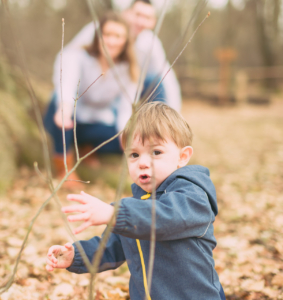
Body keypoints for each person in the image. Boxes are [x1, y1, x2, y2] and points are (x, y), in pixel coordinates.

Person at [45, 102, 226, 300]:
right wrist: (75, 256)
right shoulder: (137, 206)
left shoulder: (193, 197)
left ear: (182, 157)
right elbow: (111, 246)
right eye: (134, 154)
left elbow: (164, 217)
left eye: (156, 152)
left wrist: (115, 214)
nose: (142, 163)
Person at [44, 12, 139, 180]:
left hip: (95, 121)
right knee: (63, 121)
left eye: (118, 36)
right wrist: (64, 110)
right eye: (107, 34)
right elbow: (67, 87)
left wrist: (125, 134)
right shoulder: (79, 57)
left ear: (126, 41)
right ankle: (64, 169)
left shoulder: (129, 69)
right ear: (98, 37)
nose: (111, 41)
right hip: (67, 115)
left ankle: (85, 147)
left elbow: (126, 108)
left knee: (130, 142)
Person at [56, 0, 182, 111]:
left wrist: (174, 111)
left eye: (147, 18)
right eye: (137, 15)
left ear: (153, 22)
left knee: (155, 80)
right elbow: (67, 57)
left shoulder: (151, 43)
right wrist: (65, 97)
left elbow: (167, 76)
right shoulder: (99, 30)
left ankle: (161, 126)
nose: (141, 21)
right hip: (87, 92)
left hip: (124, 95)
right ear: (126, 13)